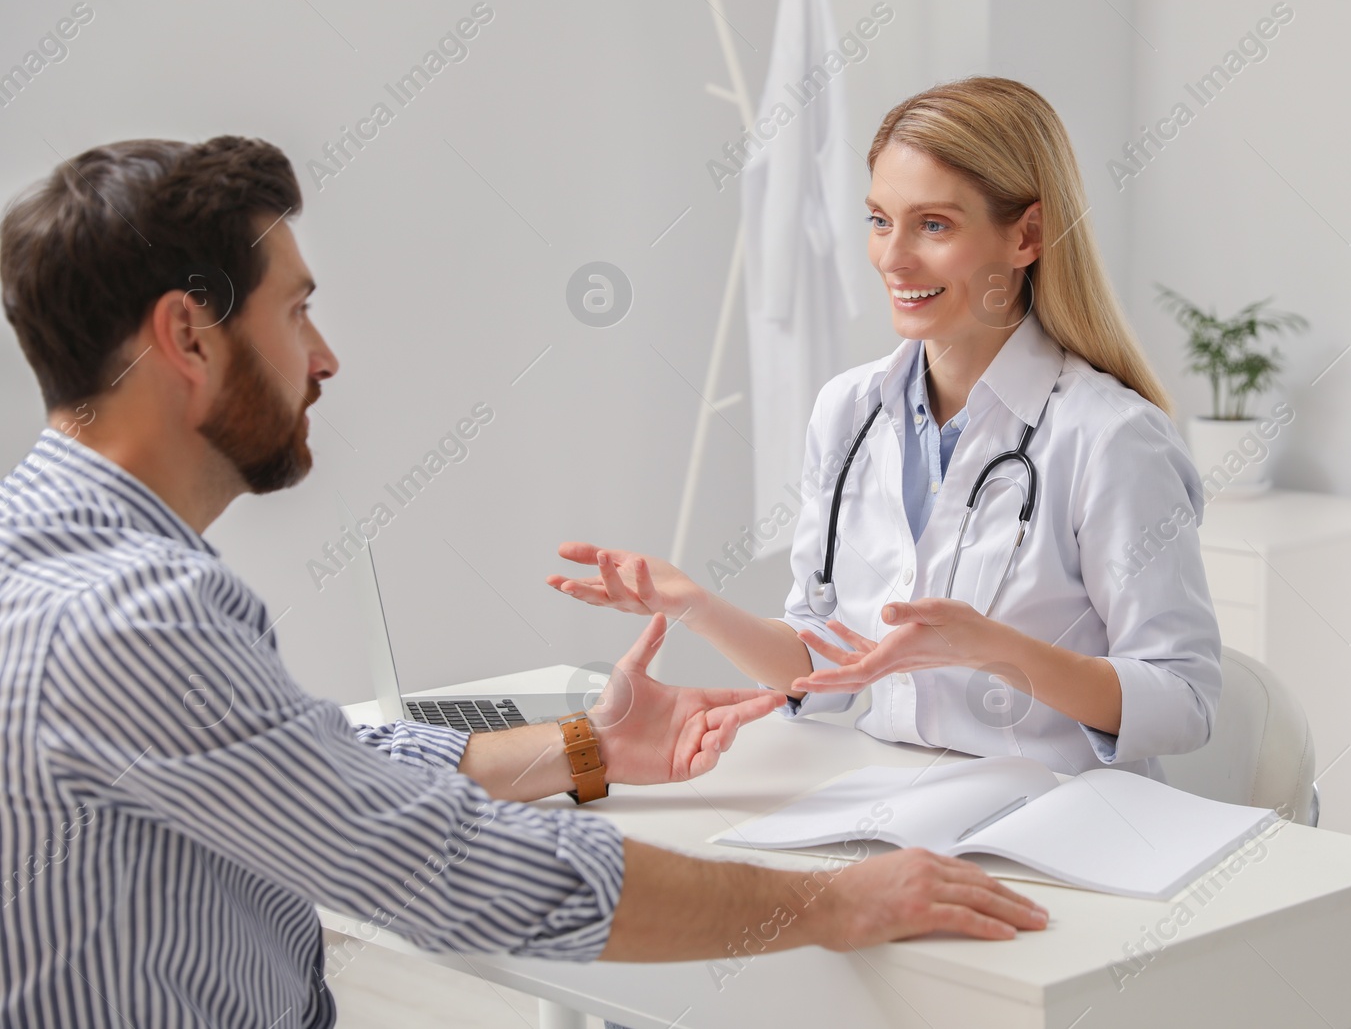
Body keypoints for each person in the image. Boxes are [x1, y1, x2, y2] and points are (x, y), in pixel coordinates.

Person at [0, 136, 1048, 1028]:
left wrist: (589, 748)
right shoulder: (130, 616)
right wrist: (827, 903)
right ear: (189, 333)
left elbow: (313, 767)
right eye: (296, 312)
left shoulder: (43, 553)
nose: (323, 358)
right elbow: (449, 866)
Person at [549, 76, 1222, 783]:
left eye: (934, 225)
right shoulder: (847, 410)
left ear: (1026, 234)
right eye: (879, 219)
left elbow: (1185, 699)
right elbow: (820, 654)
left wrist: (991, 648)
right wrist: (694, 604)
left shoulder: (1111, 438)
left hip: (1060, 818)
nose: (893, 257)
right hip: (893, 797)